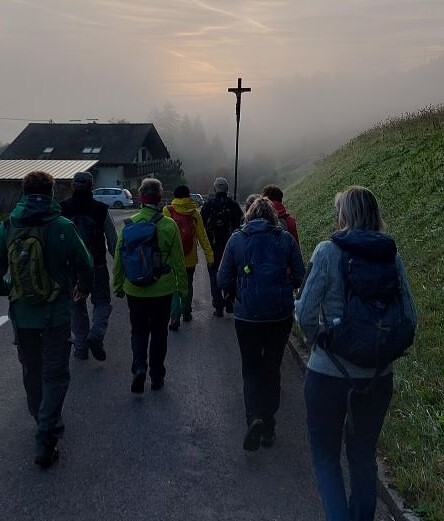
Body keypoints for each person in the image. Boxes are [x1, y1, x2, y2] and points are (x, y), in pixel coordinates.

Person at [294, 186, 417, 521]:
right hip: (378, 377)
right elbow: (410, 317)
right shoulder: (391, 255)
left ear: (343, 215)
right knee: (363, 456)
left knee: (325, 457)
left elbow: (305, 313)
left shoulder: (327, 251)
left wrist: (314, 340)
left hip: (328, 374)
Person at [0, 171, 94, 468]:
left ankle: (41, 417)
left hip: (22, 315)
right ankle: (46, 433)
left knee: (31, 370)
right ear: (52, 193)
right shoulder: (61, 227)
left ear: (24, 192)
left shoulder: (8, 226)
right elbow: (86, 263)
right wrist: (83, 288)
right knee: (55, 374)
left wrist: (10, 289)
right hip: (55, 315)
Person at [217, 196, 305, 450]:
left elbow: (223, 279)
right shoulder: (285, 239)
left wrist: (236, 287)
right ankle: (268, 424)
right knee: (272, 368)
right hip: (279, 315)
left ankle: (254, 416)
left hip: (247, 315)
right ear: (273, 217)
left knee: (251, 368)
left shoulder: (237, 239)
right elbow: (300, 277)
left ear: (249, 215)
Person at [113, 178, 187, 394]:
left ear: (140, 197)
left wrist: (117, 285)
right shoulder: (168, 225)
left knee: (138, 331)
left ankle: (138, 367)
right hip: (162, 290)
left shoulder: (129, 224)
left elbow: (119, 259)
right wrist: (182, 289)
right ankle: (156, 376)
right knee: (159, 333)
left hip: (134, 289)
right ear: (160, 196)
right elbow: (178, 262)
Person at [60, 171, 117, 361]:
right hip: (97, 265)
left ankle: (81, 347)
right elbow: (112, 240)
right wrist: (119, 265)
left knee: (76, 306)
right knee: (102, 302)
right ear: (92, 186)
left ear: (72, 186)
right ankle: (96, 335)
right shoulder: (100, 209)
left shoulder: (63, 208)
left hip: (70, 266)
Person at [162, 184, 214, 331]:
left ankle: (174, 316)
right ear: (188, 196)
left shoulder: (167, 210)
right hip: (190, 258)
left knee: (173, 286)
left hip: (172, 257)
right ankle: (186, 311)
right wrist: (209, 256)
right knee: (188, 284)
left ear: (175, 196)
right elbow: (202, 236)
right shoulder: (194, 213)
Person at [201, 177, 243, 317]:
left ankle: (218, 306)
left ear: (215, 189)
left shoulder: (208, 205)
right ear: (227, 189)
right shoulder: (233, 205)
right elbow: (241, 224)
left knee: (214, 275)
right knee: (230, 272)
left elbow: (201, 225)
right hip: (230, 245)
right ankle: (229, 299)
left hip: (213, 246)